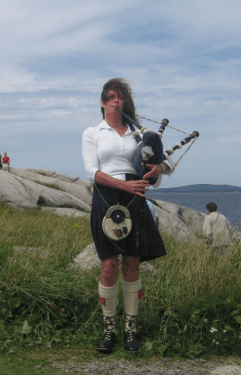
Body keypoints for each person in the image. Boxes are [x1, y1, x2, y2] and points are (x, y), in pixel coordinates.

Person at [82, 78, 172, 353]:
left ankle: (131, 330)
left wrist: (160, 170)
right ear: (102, 102)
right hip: (107, 196)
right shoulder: (92, 132)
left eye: (120, 96)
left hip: (136, 197)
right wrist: (123, 184)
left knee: (132, 264)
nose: (115, 100)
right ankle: (109, 330)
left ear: (125, 102)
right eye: (110, 96)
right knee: (108, 265)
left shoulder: (138, 133)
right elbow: (92, 171)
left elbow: (158, 163)